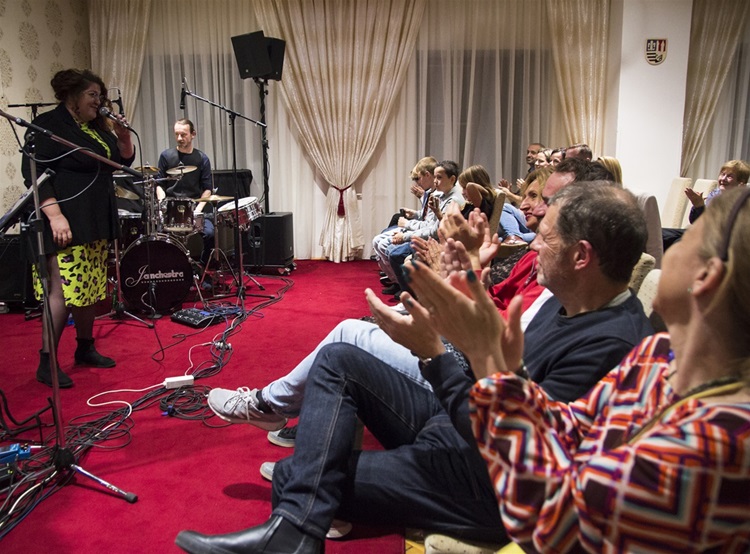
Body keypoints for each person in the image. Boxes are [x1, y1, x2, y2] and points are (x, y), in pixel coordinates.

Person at [175, 183, 652, 553]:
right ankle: (298, 529)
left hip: (484, 483)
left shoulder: (609, 346)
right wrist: (458, 297)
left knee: (293, 476)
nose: (532, 247)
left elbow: (512, 451)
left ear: (581, 256)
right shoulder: (569, 301)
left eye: (544, 239)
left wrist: (435, 356)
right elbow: (493, 380)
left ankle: (296, 526)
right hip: (459, 428)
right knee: (339, 359)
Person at [437, 186, 750, 552]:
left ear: (706, 276)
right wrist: (504, 369)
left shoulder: (719, 443)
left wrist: (482, 358)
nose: (667, 251)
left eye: (686, 240)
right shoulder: (659, 352)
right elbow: (565, 426)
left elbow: (551, 527)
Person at [21, 69, 135, 388]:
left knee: (89, 287)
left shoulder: (96, 128)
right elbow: (34, 173)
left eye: (100, 95)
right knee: (62, 291)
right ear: (72, 96)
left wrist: (123, 136)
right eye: (92, 95)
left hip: (94, 219)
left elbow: (121, 161)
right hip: (65, 220)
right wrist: (55, 215)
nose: (99, 101)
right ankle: (47, 362)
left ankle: (85, 347)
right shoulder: (49, 125)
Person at [156, 119, 214, 264]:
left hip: (194, 208)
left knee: (210, 234)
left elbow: (208, 189)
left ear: (193, 134)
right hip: (171, 209)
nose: (179, 138)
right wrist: (162, 204)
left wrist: (198, 210)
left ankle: (203, 267)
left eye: (183, 134)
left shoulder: (202, 158)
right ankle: (166, 269)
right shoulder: (166, 156)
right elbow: (159, 184)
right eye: (177, 134)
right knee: (157, 235)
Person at [662, 159, 749, 250]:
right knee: (659, 235)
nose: (723, 179)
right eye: (722, 174)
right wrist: (698, 206)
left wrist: (700, 207)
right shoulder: (715, 194)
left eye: (729, 176)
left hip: (720, 242)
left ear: (741, 183)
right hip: (702, 233)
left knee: (679, 243)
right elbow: (696, 222)